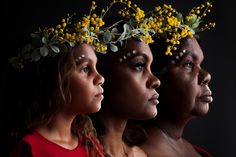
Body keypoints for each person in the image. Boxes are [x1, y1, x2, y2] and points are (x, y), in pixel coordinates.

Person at [8, 1, 109, 156]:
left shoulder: (90, 143)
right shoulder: (31, 148)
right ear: (56, 79)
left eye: (96, 68)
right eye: (86, 69)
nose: (100, 78)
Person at [123, 1, 216, 157]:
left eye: (200, 64)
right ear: (156, 77)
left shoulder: (198, 152)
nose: (206, 76)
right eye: (188, 64)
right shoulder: (138, 153)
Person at [90, 2, 162, 156]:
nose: (156, 80)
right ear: (100, 73)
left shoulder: (140, 154)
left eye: (151, 67)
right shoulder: (74, 152)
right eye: (139, 65)